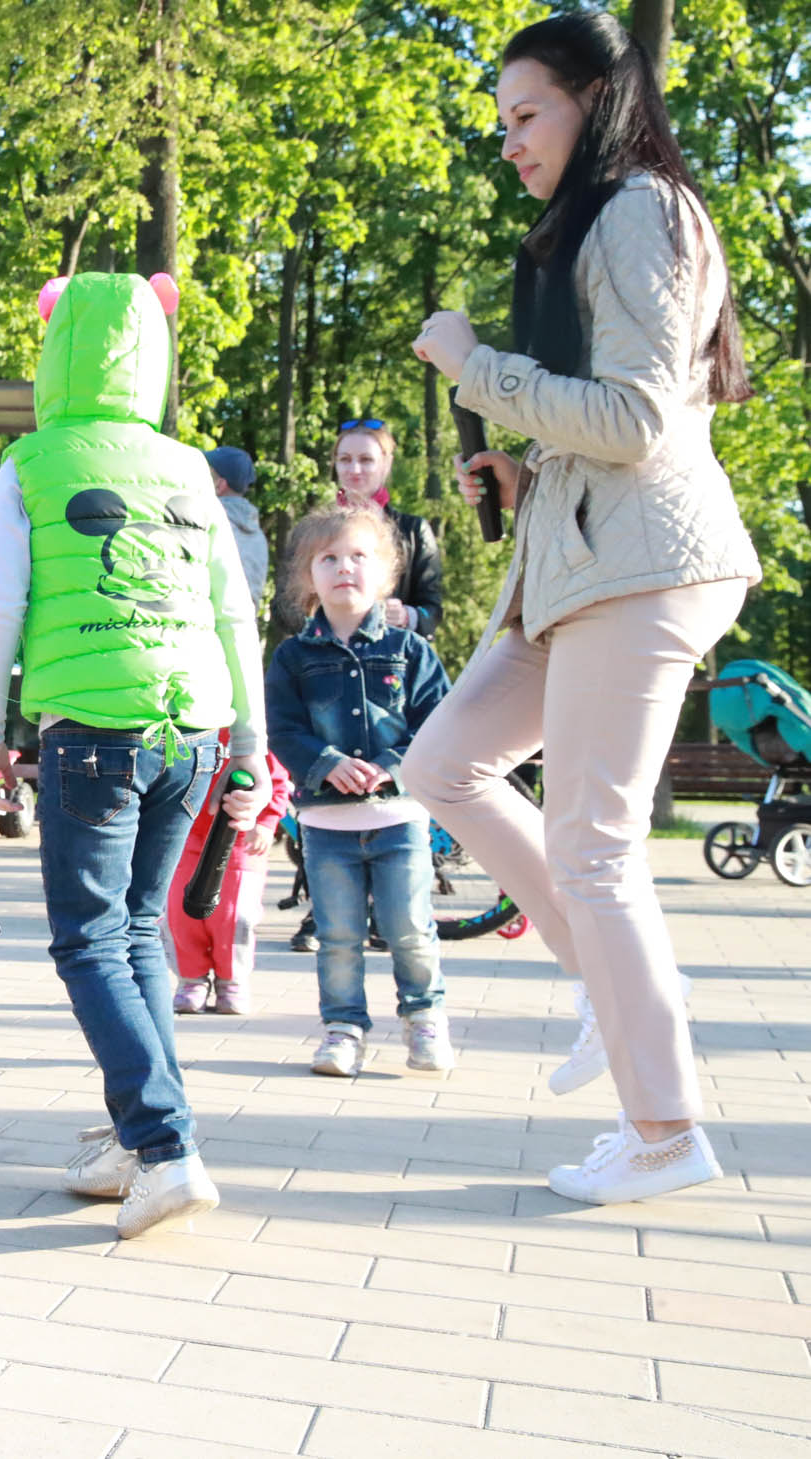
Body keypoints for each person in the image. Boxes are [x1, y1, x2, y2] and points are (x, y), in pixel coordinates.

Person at [406, 11, 760, 1205]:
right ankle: (619, 991)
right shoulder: (606, 218)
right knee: (441, 764)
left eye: (525, 114)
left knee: (592, 845)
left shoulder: (639, 209)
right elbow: (602, 424)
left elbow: (636, 420)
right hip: (581, 565)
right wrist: (523, 470)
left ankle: (662, 1132)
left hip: (642, 568)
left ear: (594, 98)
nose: (508, 141)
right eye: (500, 121)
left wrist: (475, 367)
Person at [0, 272, 267, 1238]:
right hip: (193, 731)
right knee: (136, 931)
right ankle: (140, 1140)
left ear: (53, 346)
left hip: (90, 729)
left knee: (89, 939)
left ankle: (165, 1144)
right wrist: (251, 745)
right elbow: (233, 610)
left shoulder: (29, 463)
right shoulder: (188, 467)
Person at [266, 505, 454, 1075]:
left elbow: (439, 724)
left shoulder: (411, 651)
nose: (344, 567)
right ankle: (343, 1029)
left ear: (386, 573)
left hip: (399, 819)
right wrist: (326, 763)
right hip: (327, 828)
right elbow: (283, 729)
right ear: (308, 577)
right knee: (338, 936)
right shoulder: (293, 658)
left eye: (358, 556)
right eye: (328, 558)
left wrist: (391, 766)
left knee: (409, 928)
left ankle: (424, 1019)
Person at [165, 741, 290, 1017]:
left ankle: (232, 981)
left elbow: (277, 781)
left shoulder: (251, 733)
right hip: (186, 834)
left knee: (234, 915)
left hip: (239, 837)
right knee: (179, 913)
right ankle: (191, 979)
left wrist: (266, 823)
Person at [330, 420, 444, 639]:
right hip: (325, 655)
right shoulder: (313, 533)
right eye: (345, 459)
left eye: (366, 460)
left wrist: (407, 616)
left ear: (386, 464)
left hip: (394, 654)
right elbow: (284, 609)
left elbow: (432, 611)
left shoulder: (414, 531)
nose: (354, 469)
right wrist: (320, 613)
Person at [204, 446, 269, 608]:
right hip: (246, 621)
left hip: (212, 620)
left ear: (219, 485)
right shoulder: (258, 535)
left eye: (207, 475)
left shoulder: (209, 524)